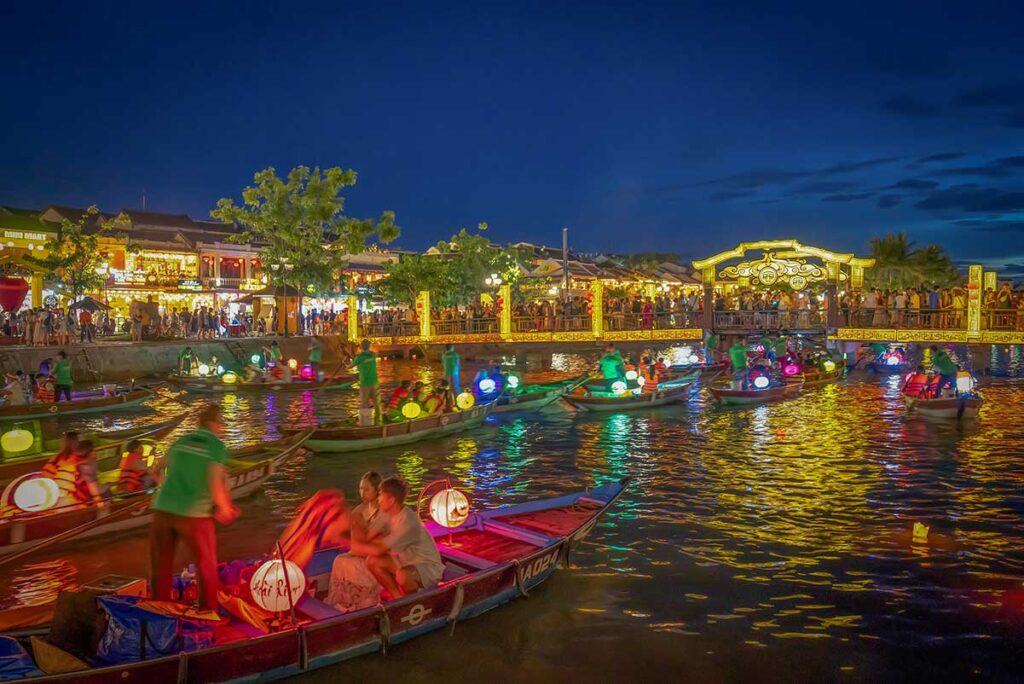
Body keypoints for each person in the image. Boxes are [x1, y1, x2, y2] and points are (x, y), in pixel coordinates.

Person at [150, 404, 238, 611]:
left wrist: (169, 489)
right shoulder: (215, 446)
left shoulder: (181, 441)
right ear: (214, 423)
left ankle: (160, 610)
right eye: (221, 424)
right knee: (206, 566)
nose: (222, 428)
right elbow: (215, 482)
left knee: (160, 566)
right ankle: (208, 612)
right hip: (194, 515)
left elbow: (156, 470)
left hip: (162, 509)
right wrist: (225, 508)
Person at [360, 477, 444, 599]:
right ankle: (398, 597)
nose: (378, 499)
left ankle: (412, 600)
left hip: (427, 567)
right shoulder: (385, 513)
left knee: (403, 575)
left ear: (391, 500)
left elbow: (378, 549)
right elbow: (369, 536)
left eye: (381, 495)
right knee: (372, 561)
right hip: (405, 561)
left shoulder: (408, 522)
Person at [325, 472, 392, 612]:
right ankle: (346, 600)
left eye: (366, 489)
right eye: (361, 489)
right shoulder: (358, 511)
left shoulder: (385, 512)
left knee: (357, 564)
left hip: (381, 556)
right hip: (363, 551)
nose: (362, 492)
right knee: (340, 560)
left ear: (377, 490)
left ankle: (367, 601)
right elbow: (355, 542)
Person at [41, 436, 102, 507]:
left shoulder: (60, 459)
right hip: (66, 503)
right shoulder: (84, 467)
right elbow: (94, 492)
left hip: (49, 497)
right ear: (90, 452)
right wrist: (98, 500)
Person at [353, 339, 381, 423]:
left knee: (364, 403)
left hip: (365, 383)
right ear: (369, 346)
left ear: (361, 347)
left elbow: (351, 365)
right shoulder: (373, 355)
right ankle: (378, 421)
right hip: (375, 382)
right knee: (377, 404)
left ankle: (365, 423)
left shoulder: (359, 357)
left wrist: (345, 364)